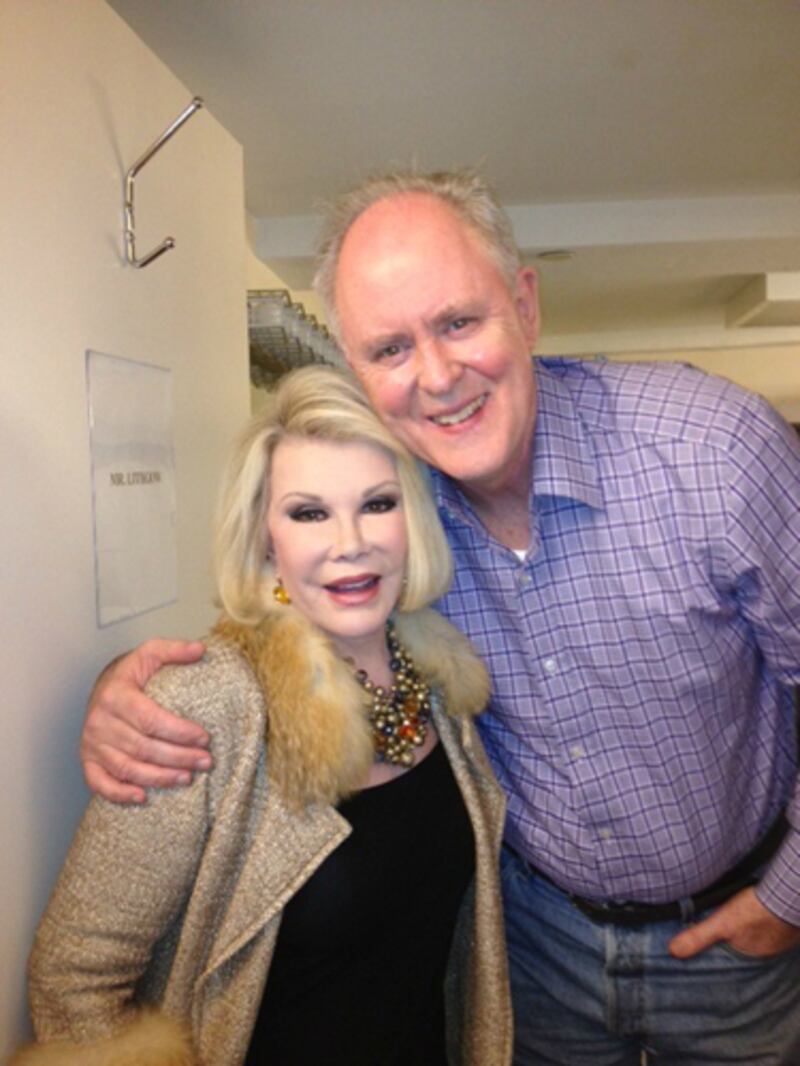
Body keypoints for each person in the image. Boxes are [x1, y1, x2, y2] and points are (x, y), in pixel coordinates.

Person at [80, 169, 800, 1064]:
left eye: (459, 322)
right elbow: (279, 608)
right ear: (356, 369)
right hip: (533, 954)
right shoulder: (388, 504)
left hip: (737, 943)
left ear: (525, 307)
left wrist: (788, 899)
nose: (436, 376)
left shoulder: (712, 452)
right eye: (389, 348)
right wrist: (126, 691)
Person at [16, 365, 511, 1066]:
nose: (351, 542)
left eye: (378, 504)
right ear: (263, 539)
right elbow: (75, 974)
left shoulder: (436, 680)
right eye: (309, 513)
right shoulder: (207, 704)